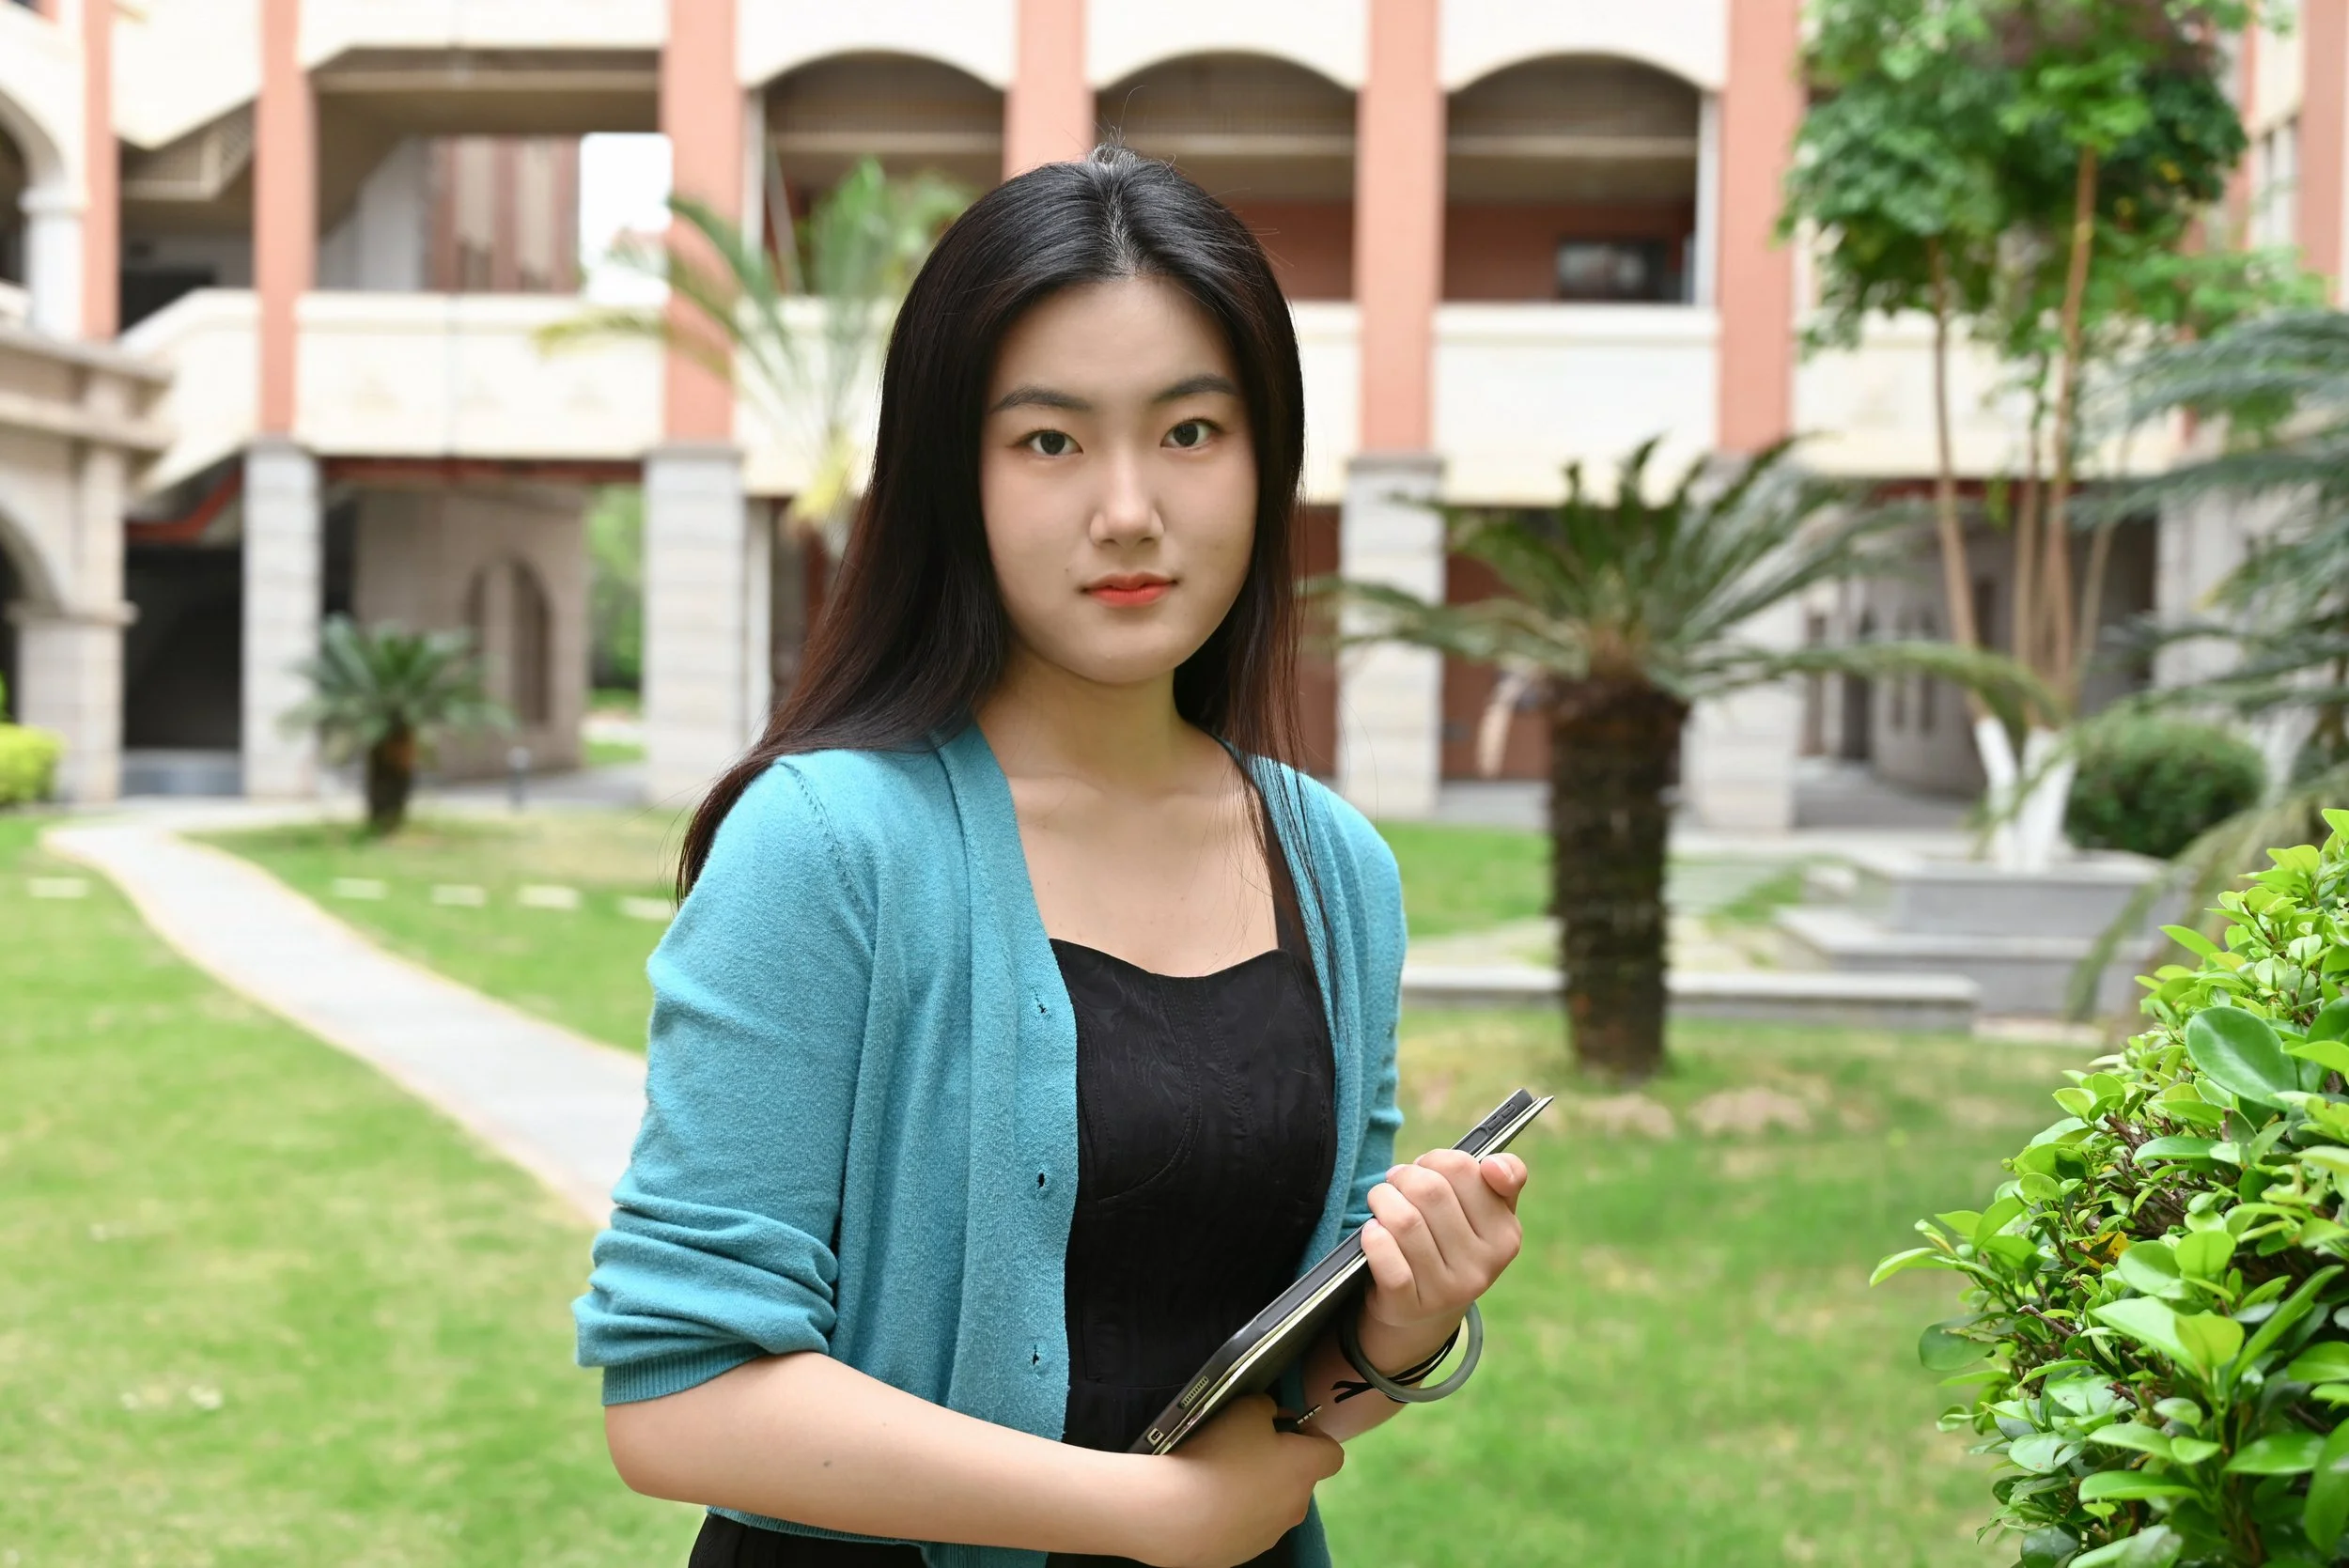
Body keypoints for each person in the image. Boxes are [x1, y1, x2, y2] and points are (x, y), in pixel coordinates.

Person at [573, 146, 1532, 1568]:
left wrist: (1401, 1320)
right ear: (954, 479)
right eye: (1051, 441)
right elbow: (682, 1396)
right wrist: (1141, 1520)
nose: (1130, 509)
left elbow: (1274, 1384)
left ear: (1268, 461)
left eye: (1192, 432)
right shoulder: (828, 846)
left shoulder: (1335, 871)